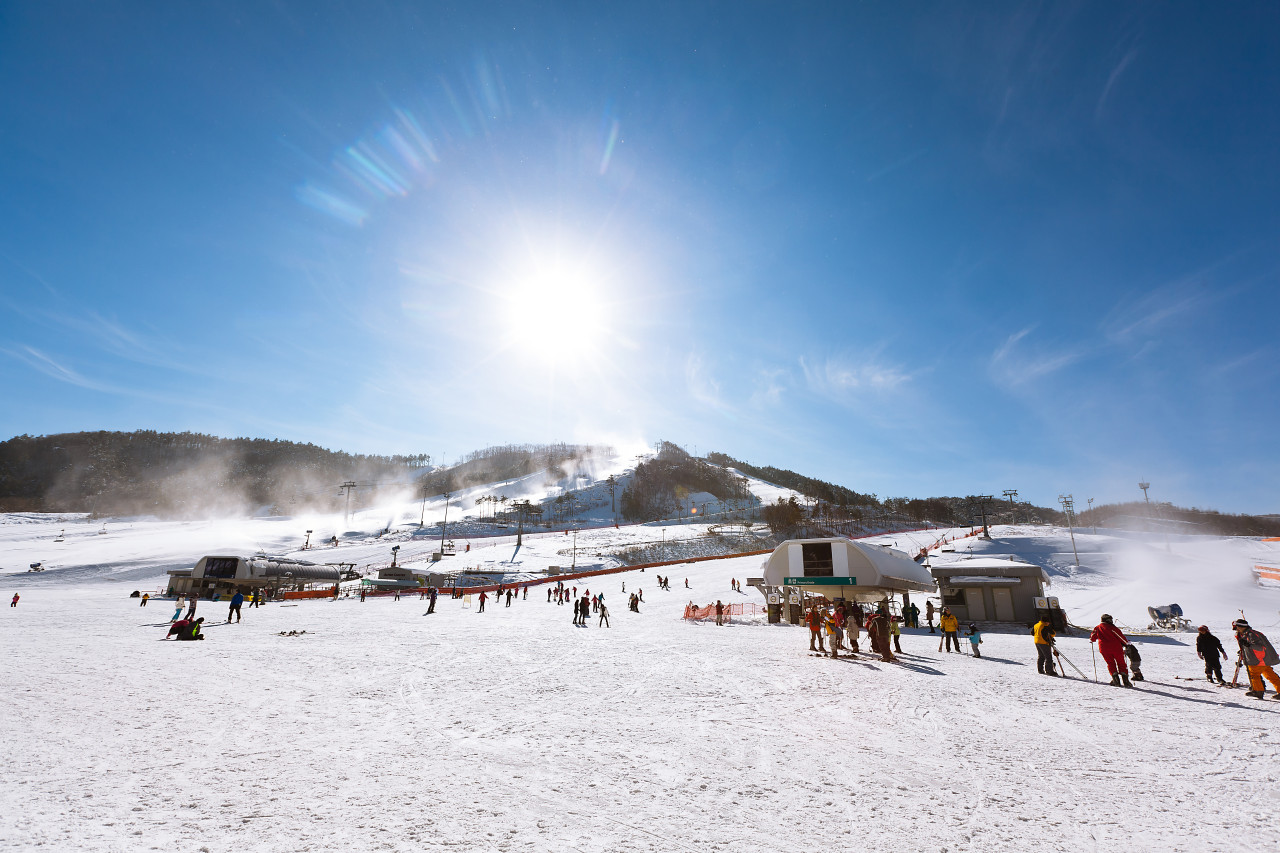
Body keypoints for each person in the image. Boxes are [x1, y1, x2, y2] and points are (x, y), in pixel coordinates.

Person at [1233, 618, 1280, 699]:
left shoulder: (1251, 635)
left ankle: (1258, 692)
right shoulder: (1252, 633)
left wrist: (1247, 645)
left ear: (1241, 627)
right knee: (1271, 675)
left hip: (1257, 660)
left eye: (1237, 627)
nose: (1236, 629)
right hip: (1264, 660)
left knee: (1254, 675)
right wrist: (1244, 649)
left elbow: (1259, 647)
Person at [1090, 614, 1132, 688]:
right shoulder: (1112, 627)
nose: (1111, 621)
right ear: (1107, 620)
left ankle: (1116, 681)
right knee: (1121, 663)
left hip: (1104, 649)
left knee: (1110, 663)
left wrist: (1092, 640)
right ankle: (1126, 681)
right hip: (1116, 648)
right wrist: (1126, 643)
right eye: (1110, 619)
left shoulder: (1098, 627)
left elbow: (1093, 636)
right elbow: (1120, 636)